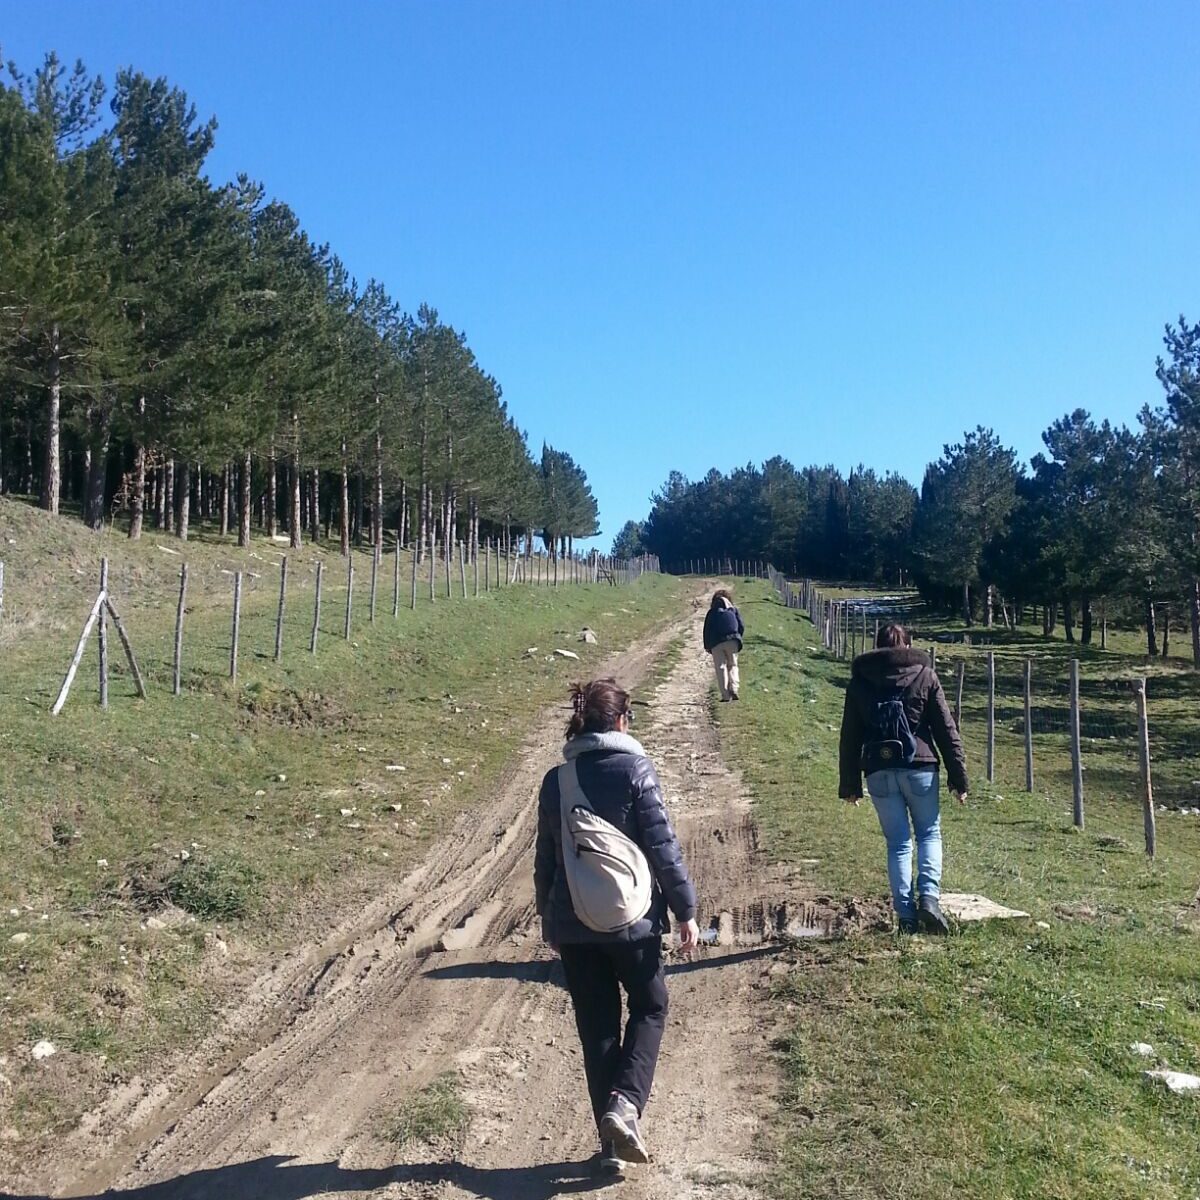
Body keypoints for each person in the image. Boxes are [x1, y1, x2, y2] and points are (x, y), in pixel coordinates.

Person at [535, 678, 699, 1175]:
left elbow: (546, 858)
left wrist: (550, 917)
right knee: (651, 1005)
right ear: (622, 721)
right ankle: (625, 1106)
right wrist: (686, 909)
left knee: (597, 1029)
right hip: (635, 922)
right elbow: (662, 846)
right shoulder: (635, 769)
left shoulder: (556, 780)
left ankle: (611, 1146)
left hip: (576, 924)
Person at [838, 623, 968, 935]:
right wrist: (959, 777)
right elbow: (946, 730)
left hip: (878, 770)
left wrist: (850, 785)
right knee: (928, 834)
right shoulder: (925, 676)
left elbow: (849, 737)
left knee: (898, 843)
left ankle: (906, 916)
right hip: (920, 767)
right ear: (907, 646)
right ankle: (929, 899)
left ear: (878, 647)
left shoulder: (860, 682)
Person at [703, 589, 744, 701]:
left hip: (716, 642)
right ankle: (734, 688)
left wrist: (707, 646)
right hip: (733, 640)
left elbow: (706, 630)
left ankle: (725, 696)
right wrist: (738, 638)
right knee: (733, 665)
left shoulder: (711, 612)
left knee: (720, 668)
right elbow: (741, 626)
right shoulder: (733, 610)